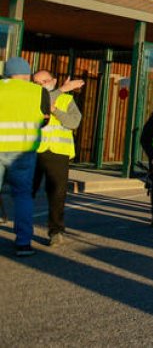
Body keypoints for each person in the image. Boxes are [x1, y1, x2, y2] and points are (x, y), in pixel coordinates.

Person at [0, 57, 51, 256]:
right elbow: (45, 120)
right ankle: (23, 243)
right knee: (22, 196)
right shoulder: (39, 92)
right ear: (28, 74)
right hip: (23, 151)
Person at [30, 70, 84, 246]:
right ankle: (23, 231)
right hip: (34, 150)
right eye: (36, 83)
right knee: (27, 192)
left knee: (57, 194)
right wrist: (62, 89)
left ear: (53, 80)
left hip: (58, 152)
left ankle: (56, 231)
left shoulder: (66, 100)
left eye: (44, 81)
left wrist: (55, 111)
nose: (41, 86)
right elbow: (41, 103)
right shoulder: (31, 97)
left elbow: (74, 122)